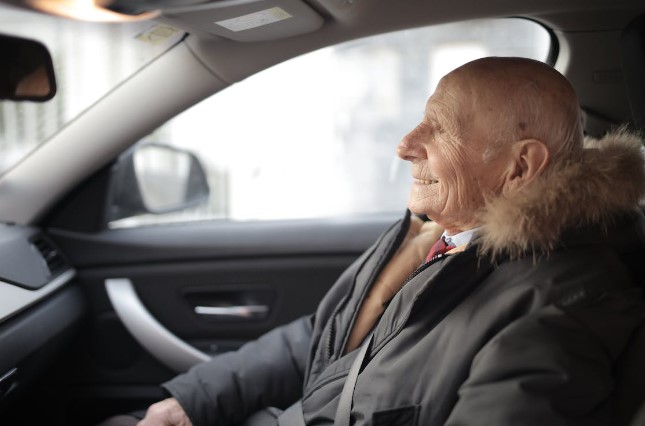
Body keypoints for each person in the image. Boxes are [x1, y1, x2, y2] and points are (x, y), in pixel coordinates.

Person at [132, 57, 645, 425]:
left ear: (520, 166)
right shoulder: (437, 235)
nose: (404, 146)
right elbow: (329, 337)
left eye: (440, 129)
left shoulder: (564, 304)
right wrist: (195, 401)